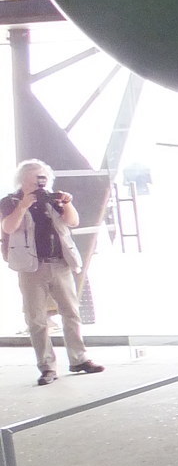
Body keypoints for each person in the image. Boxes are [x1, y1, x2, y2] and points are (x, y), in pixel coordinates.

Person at [2, 159, 105, 386]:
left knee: (71, 312)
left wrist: (66, 203)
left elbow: (73, 222)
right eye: (34, 180)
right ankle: (47, 366)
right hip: (31, 267)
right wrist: (23, 205)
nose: (40, 185)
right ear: (22, 181)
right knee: (36, 318)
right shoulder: (10, 201)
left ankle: (79, 359)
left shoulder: (53, 199)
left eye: (43, 179)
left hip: (60, 263)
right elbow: (8, 228)